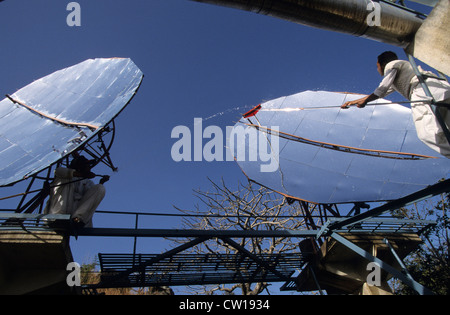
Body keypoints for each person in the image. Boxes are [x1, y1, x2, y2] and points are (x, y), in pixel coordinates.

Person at [341, 51, 450, 158]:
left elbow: (382, 88)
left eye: (377, 66)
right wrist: (356, 101)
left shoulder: (391, 65)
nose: (377, 69)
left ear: (382, 64)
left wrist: (365, 101)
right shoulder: (404, 68)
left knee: (428, 133)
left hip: (422, 91)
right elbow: (380, 93)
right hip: (441, 88)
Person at [44, 155, 109, 228]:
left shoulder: (87, 182)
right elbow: (59, 171)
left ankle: (78, 219)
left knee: (100, 188)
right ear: (79, 167)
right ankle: (59, 217)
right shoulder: (62, 174)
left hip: (74, 212)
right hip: (59, 212)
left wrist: (101, 183)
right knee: (66, 180)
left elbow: (90, 199)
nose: (89, 168)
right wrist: (83, 174)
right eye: (86, 165)